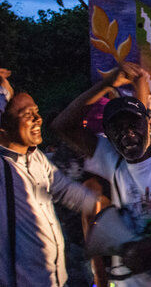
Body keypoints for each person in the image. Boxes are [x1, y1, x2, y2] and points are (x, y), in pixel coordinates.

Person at [51, 62, 151, 287]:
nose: (127, 133)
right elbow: (63, 125)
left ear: (149, 124)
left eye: (133, 123)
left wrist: (143, 249)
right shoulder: (111, 154)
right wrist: (107, 83)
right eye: (117, 127)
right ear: (107, 134)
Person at [0, 89, 102, 286]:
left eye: (36, 111)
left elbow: (64, 190)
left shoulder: (37, 158)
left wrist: (102, 201)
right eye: (27, 115)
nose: (38, 119)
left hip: (55, 280)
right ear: (3, 127)